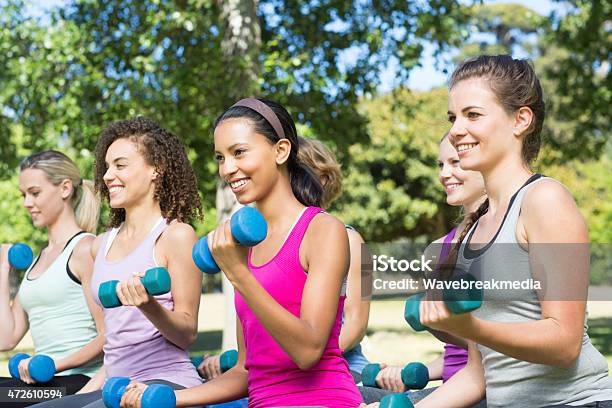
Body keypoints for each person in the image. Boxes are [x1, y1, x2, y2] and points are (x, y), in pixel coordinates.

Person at [123, 98, 363, 407]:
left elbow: (308, 351)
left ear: (281, 151)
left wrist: (238, 273)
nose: (227, 169)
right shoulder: (242, 247)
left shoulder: (323, 230)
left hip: (321, 398)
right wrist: (165, 397)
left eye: (239, 152)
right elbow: (245, 372)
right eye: (220, 158)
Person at [414, 55, 612, 407]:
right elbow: (479, 374)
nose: (456, 129)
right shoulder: (471, 232)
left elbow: (564, 343)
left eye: (472, 114)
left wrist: (469, 328)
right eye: (453, 117)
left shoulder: (544, 200)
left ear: (520, 120)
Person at [31, 117, 204, 407]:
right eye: (107, 166)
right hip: (115, 385)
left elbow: (187, 334)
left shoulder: (176, 236)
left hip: (164, 384)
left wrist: (149, 305)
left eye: (120, 165)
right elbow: (114, 344)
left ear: (156, 169)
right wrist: (79, 398)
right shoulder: (101, 244)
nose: (108, 175)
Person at [197, 136, 372, 382]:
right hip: (284, 366)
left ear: (323, 178)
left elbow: (357, 323)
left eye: (300, 170)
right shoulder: (262, 245)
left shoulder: (353, 240)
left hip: (344, 365)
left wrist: (292, 356)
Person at [362, 134, 487, 404]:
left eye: (455, 162)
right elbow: (457, 351)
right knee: (356, 395)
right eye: (440, 165)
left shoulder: (501, 236)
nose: (445, 174)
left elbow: (490, 347)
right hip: (453, 384)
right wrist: (409, 374)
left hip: (489, 387)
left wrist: (442, 324)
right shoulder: (437, 249)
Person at [0, 150, 104, 405]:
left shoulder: (84, 249)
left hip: (78, 381)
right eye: (24, 195)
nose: (26, 203)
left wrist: (56, 364)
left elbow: (110, 335)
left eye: (34, 193)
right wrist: (3, 270)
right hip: (43, 382)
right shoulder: (38, 261)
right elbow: (6, 338)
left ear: (65, 188)